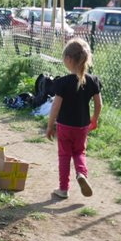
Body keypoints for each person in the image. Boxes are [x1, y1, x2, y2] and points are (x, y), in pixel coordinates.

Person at [46, 38, 102, 199]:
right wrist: (94, 119)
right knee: (79, 152)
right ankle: (81, 173)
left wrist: (50, 126)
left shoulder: (62, 82)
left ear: (69, 59)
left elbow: (55, 106)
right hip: (82, 126)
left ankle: (63, 189)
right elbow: (99, 104)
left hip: (64, 126)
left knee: (64, 156)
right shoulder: (93, 81)